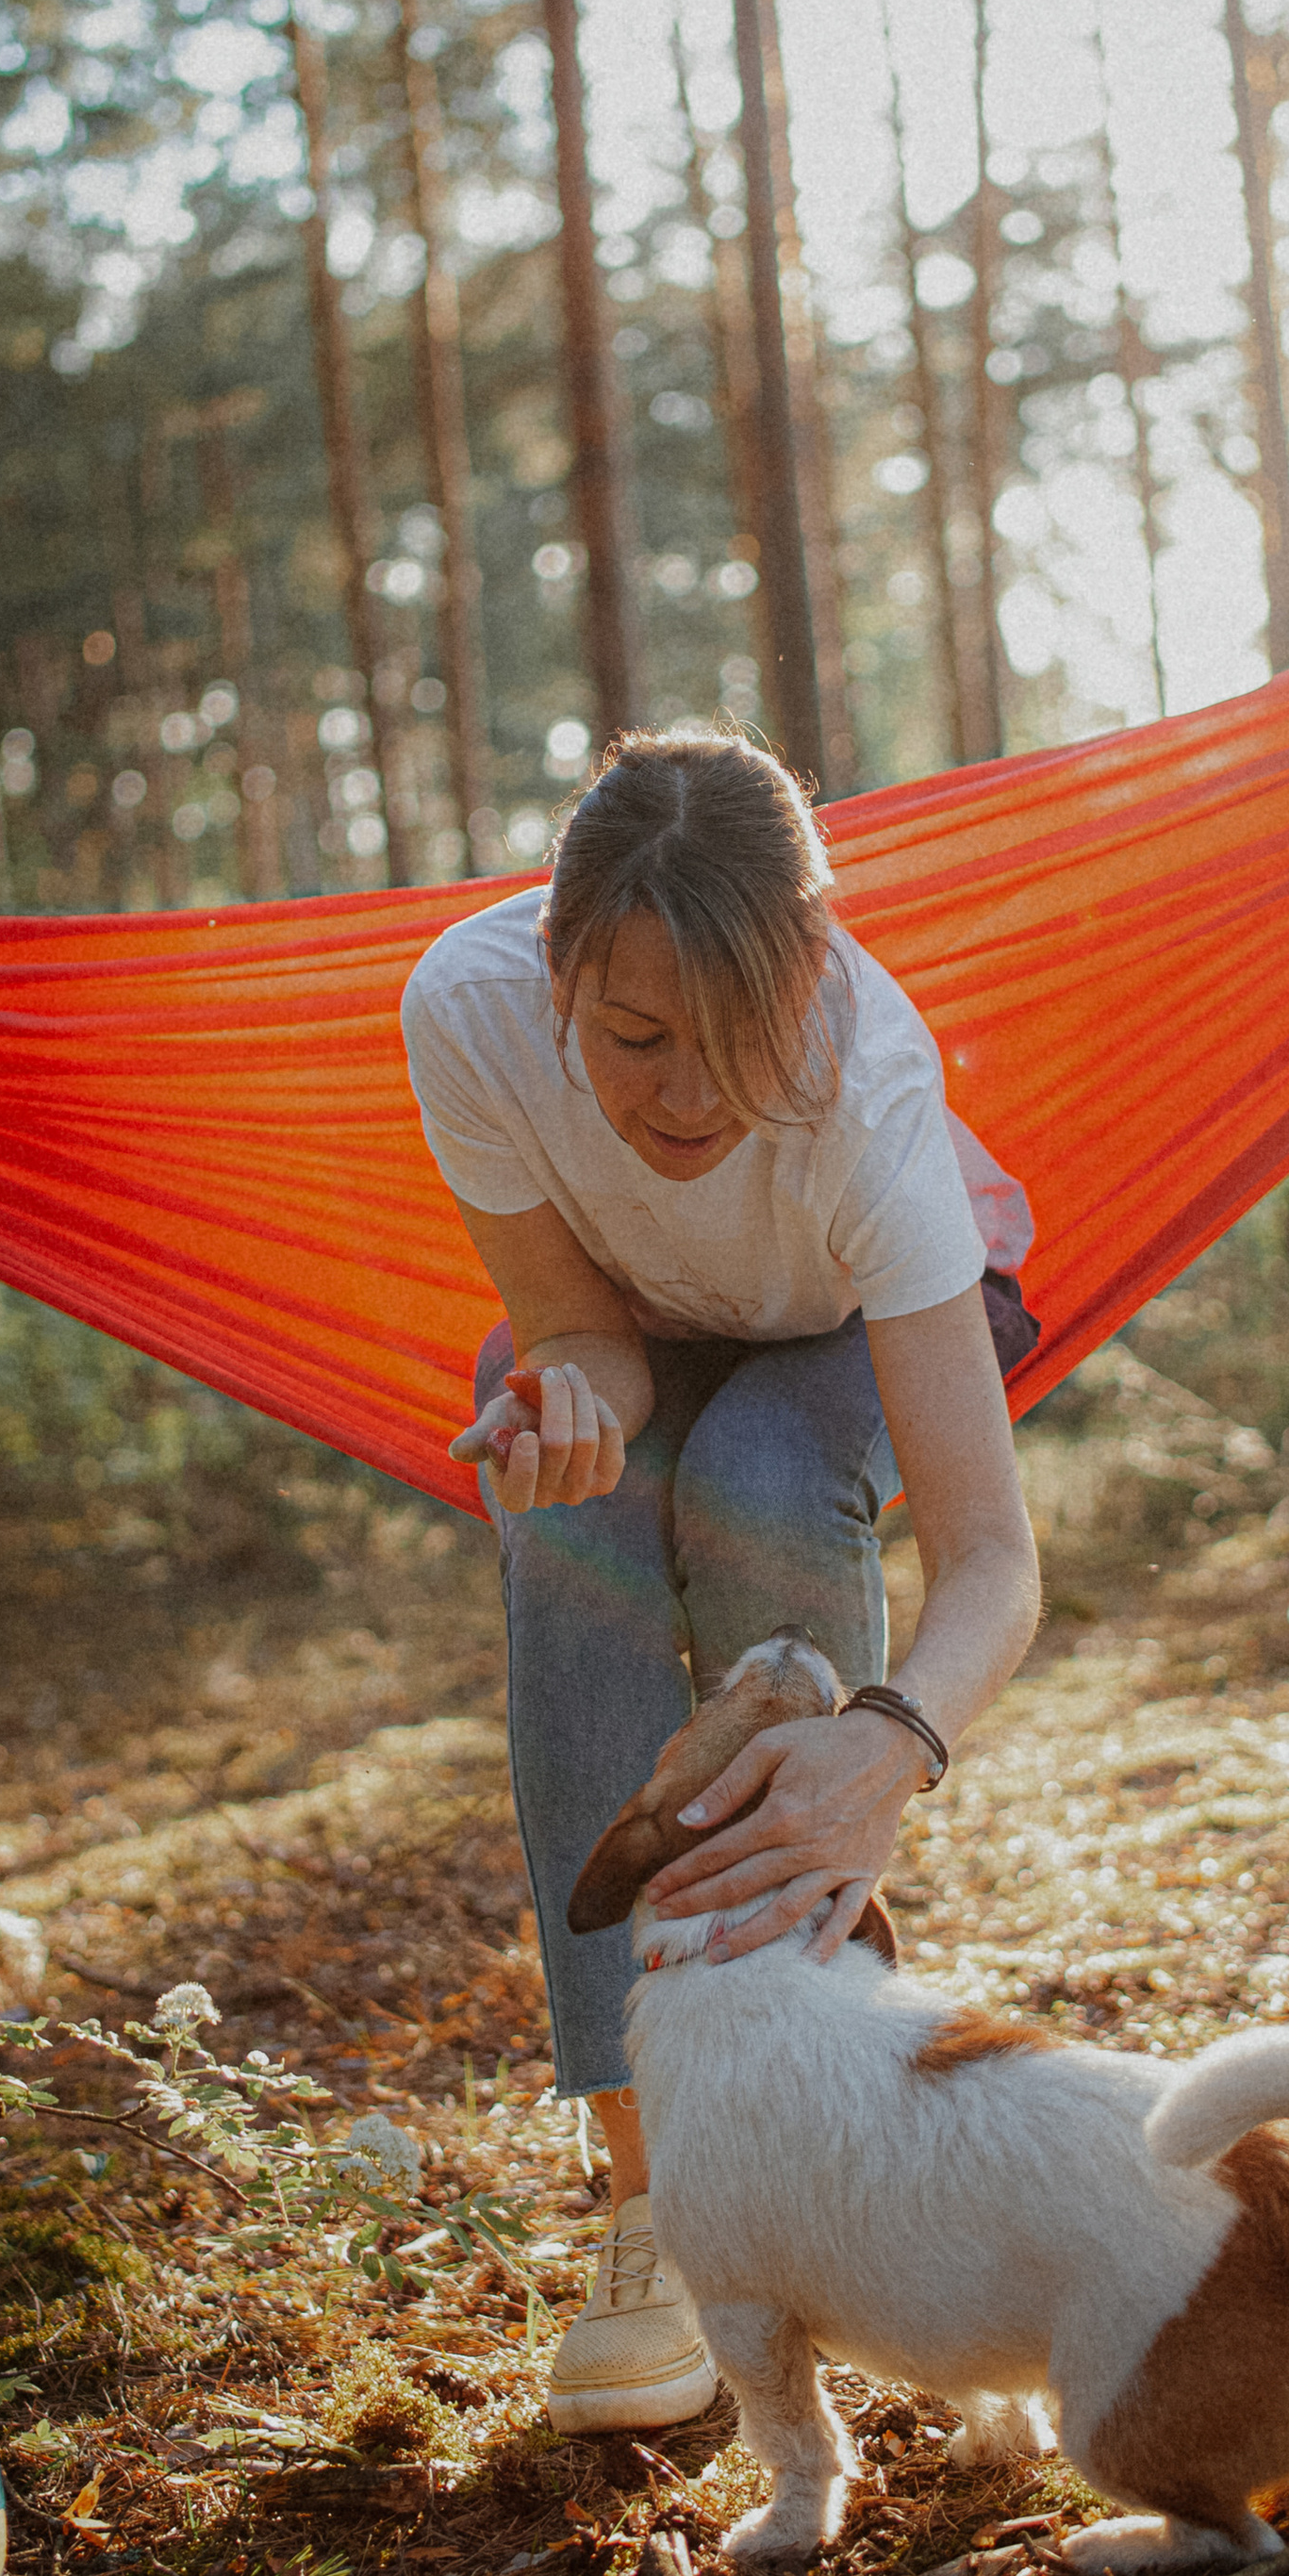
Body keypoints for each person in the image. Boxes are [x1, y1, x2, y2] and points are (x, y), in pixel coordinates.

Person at [400, 727, 1043, 2428]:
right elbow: (583, 1338)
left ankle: (817, 2116)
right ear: (554, 973)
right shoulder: (462, 1014)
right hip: (649, 1328)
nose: (688, 1097)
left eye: (739, 1039)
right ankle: (654, 2200)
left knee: (762, 1476)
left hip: (863, 1330)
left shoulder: (872, 1106)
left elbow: (994, 1560)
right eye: (632, 1037)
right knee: (574, 1525)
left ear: (812, 974)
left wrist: (894, 1739)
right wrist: (568, 1417)